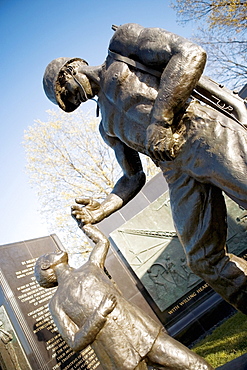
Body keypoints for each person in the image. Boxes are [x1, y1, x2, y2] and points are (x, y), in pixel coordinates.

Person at [43, 23, 247, 314]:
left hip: (201, 133)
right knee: (204, 260)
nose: (77, 100)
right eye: (71, 103)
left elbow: (189, 53)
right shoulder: (107, 127)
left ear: (70, 71)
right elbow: (132, 176)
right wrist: (99, 210)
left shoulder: (121, 46)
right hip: (176, 172)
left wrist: (161, 120)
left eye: (69, 94)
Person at [35, 224, 213, 370]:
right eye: (48, 255)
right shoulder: (56, 303)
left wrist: (84, 224)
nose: (55, 250)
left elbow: (102, 242)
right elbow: (74, 342)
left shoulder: (91, 266)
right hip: (119, 358)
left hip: (143, 333)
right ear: (45, 265)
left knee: (198, 366)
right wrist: (100, 314)